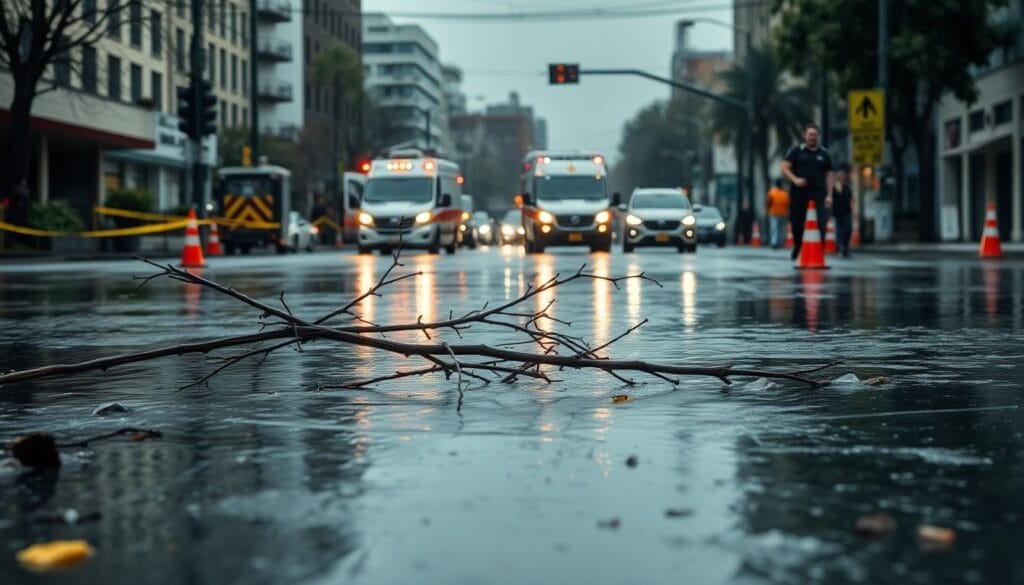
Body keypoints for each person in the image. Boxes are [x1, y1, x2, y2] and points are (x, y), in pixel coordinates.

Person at [781, 123, 834, 260]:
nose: (812, 137)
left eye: (815, 135)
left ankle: (817, 250)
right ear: (805, 135)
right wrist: (795, 179)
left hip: (819, 193)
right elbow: (784, 167)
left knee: (821, 222)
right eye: (810, 134)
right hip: (799, 193)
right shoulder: (796, 151)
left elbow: (829, 175)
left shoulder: (824, 154)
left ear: (818, 137)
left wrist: (829, 195)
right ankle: (798, 246)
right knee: (796, 222)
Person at [831, 164, 854, 257]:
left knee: (848, 229)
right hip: (837, 212)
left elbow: (851, 199)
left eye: (843, 175)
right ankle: (841, 247)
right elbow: (833, 196)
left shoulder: (848, 187)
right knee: (839, 230)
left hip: (847, 211)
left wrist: (854, 212)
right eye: (840, 175)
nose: (842, 177)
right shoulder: (834, 187)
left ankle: (845, 245)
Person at [765, 179, 790, 249]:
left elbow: (768, 202)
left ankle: (774, 242)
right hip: (783, 213)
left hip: (774, 213)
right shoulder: (785, 194)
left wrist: (766, 211)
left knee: (774, 228)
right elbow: (788, 204)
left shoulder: (772, 192)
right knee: (781, 228)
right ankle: (780, 242)